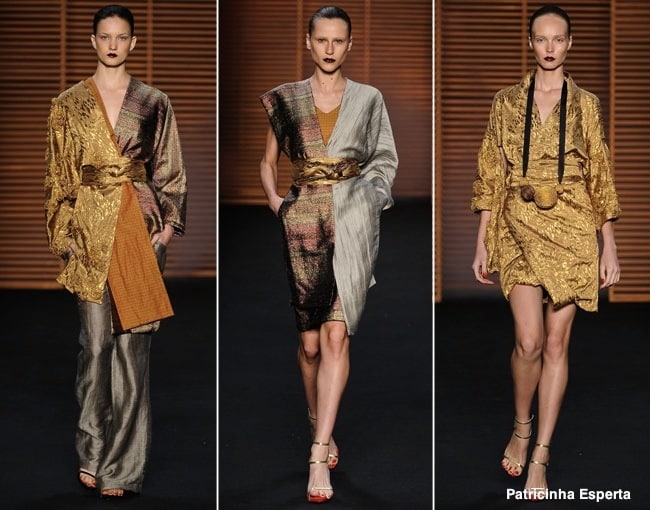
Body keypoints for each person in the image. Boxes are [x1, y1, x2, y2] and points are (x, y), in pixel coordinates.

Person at [471, 4, 620, 500]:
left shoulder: (587, 105)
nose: (550, 47)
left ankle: (541, 453)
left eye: (558, 38)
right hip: (516, 224)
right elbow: (491, 170)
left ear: (570, 43)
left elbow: (599, 174)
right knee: (529, 341)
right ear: (530, 42)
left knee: (556, 345)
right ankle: (521, 425)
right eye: (541, 38)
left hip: (573, 228)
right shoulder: (505, 101)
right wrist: (482, 238)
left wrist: (608, 244)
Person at [44, 4, 187, 499]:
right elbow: (58, 175)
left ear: (133, 42)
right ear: (92, 41)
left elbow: (170, 168)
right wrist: (64, 237)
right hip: (88, 233)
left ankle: (123, 468)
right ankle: (92, 448)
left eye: (121, 36)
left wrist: (165, 231)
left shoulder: (153, 101)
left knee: (132, 352)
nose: (112, 44)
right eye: (104, 36)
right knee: (95, 347)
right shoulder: (68, 104)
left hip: (139, 231)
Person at [259, 5, 397, 504]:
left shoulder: (369, 98)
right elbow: (268, 160)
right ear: (309, 42)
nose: (330, 48)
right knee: (311, 345)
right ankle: (320, 418)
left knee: (337, 335)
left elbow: (384, 157)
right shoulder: (287, 98)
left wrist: (372, 197)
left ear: (350, 44)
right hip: (303, 223)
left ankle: (318, 453)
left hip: (353, 221)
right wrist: (277, 202)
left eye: (339, 40)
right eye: (322, 39)